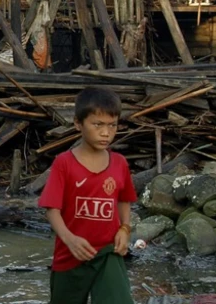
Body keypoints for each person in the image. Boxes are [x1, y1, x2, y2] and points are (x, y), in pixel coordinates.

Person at [39, 87, 136, 304]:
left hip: (107, 253)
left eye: (112, 125)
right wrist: (69, 239)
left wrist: (125, 228)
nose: (106, 133)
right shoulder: (64, 163)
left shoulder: (119, 163)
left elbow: (124, 199)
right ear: (78, 123)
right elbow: (51, 209)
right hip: (70, 255)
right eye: (97, 124)